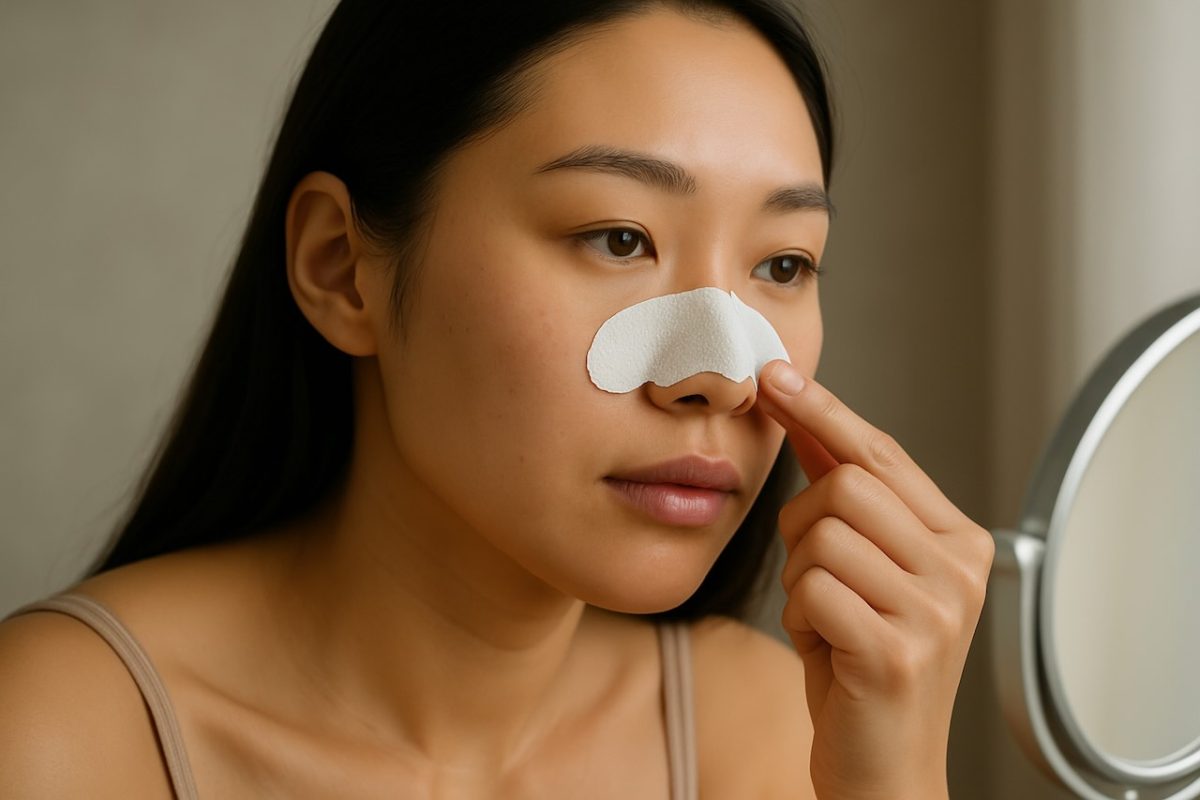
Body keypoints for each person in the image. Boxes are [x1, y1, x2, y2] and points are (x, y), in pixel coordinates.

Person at [0, 1, 995, 797]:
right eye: (618, 238)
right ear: (341, 266)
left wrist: (896, 781)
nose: (723, 377)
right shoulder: (55, 737)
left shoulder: (785, 735)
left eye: (783, 263)